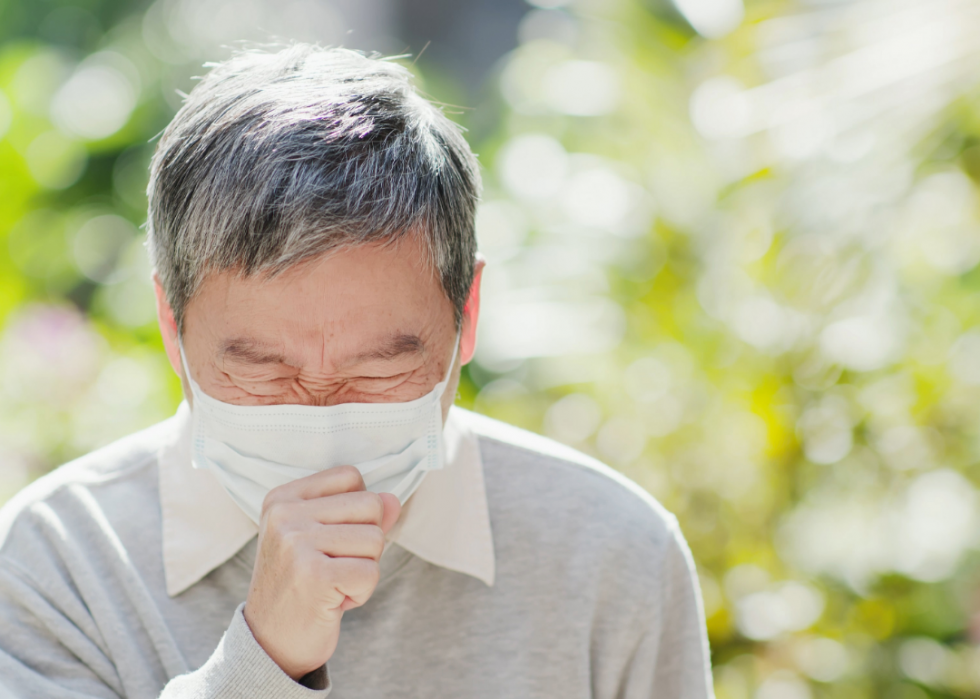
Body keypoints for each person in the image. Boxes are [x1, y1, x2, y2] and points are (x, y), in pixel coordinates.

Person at [0, 44, 714, 698]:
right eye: (266, 372)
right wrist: (264, 658)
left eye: (375, 371)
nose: (321, 418)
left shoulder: (613, 557)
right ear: (170, 323)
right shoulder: (56, 563)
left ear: (466, 314)